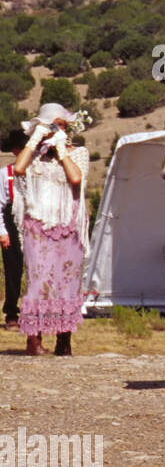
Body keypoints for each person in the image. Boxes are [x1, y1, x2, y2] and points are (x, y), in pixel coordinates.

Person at [12, 103, 91, 356]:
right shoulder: (34, 155)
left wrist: (61, 149)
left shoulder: (78, 152)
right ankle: (33, 340)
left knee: (67, 283)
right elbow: (19, 168)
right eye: (53, 124)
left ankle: (63, 339)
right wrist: (35, 140)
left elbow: (76, 178)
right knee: (39, 281)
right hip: (37, 225)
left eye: (62, 124)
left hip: (68, 225)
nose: (59, 128)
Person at [0, 129, 28, 330]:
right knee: (13, 269)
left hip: (34, 218)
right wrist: (2, 231)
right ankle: (11, 312)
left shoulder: (38, 172)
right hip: (11, 220)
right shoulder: (4, 174)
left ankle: (36, 310)